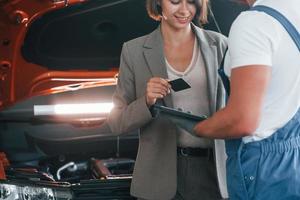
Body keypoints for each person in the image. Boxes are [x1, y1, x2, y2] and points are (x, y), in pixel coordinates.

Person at [107, 0, 228, 199]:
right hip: (158, 176)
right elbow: (116, 122)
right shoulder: (133, 51)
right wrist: (146, 101)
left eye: (191, 2)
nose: (184, 9)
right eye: (174, 1)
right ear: (158, 3)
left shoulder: (221, 44)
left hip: (215, 173)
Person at [194, 0, 300, 199]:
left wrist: (200, 128)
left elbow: (242, 120)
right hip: (294, 155)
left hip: (262, 167)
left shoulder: (253, 23)